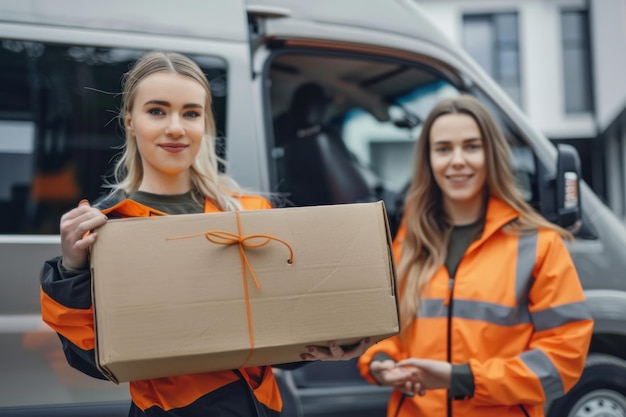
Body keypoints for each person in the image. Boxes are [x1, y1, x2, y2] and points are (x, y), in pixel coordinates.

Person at [39, 51, 370, 417]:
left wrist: (334, 341)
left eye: (191, 113)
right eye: (157, 111)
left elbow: (282, 340)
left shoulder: (251, 215)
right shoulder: (110, 227)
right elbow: (91, 359)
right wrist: (71, 270)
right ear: (130, 121)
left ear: (205, 124)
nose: (176, 127)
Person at [355, 94, 594, 417]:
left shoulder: (539, 244)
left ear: (491, 155)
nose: (456, 160)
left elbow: (562, 361)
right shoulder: (408, 244)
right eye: (443, 149)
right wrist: (383, 363)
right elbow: (386, 334)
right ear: (428, 160)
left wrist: (462, 379)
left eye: (471, 146)